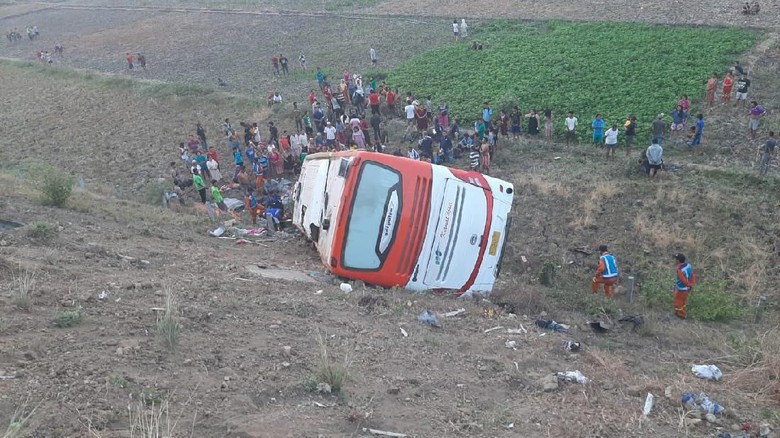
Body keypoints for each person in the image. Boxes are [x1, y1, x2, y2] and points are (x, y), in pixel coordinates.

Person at [673, 253, 696, 319]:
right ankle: (679, 312)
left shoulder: (679, 270)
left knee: (678, 301)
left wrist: (688, 285)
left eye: (675, 259)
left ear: (678, 261)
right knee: (682, 301)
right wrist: (691, 284)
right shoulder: (689, 265)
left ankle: (681, 315)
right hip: (687, 288)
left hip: (682, 289)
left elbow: (683, 280)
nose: (675, 261)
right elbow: (693, 275)